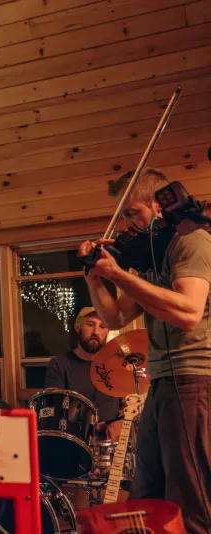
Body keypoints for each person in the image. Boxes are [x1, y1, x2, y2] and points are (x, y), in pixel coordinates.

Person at [78, 168, 211, 533]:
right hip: (164, 381)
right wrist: (96, 278)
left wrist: (121, 275)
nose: (129, 224)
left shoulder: (191, 240)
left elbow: (188, 312)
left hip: (193, 377)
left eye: (133, 213)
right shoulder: (151, 254)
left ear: (157, 204)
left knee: (190, 496)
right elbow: (117, 315)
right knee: (146, 493)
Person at [44, 307, 123, 441]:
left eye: (102, 326)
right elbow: (55, 409)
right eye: (90, 324)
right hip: (73, 443)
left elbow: (127, 406)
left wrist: (120, 423)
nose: (96, 332)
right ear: (77, 326)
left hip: (109, 445)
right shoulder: (59, 364)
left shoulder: (116, 365)